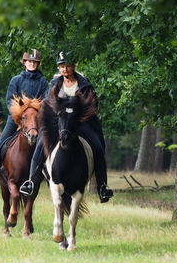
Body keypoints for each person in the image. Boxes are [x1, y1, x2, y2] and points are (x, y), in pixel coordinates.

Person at [19, 51, 113, 203]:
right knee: (40, 146)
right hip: (59, 123)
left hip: (81, 122)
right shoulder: (54, 85)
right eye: (62, 66)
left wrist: (78, 117)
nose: (65, 70)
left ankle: (102, 186)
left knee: (97, 147)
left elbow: (93, 105)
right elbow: (48, 105)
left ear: (73, 66)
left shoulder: (84, 84)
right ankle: (31, 182)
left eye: (68, 66)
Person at [0, 49, 50, 189]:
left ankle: (48, 173)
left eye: (35, 62)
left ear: (38, 64)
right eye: (29, 61)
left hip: (34, 121)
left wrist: (34, 114)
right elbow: (10, 100)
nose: (32, 64)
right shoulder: (16, 80)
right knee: (1, 144)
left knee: (47, 143)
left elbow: (45, 100)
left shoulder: (42, 81)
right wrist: (18, 115)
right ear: (24, 62)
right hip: (16, 119)